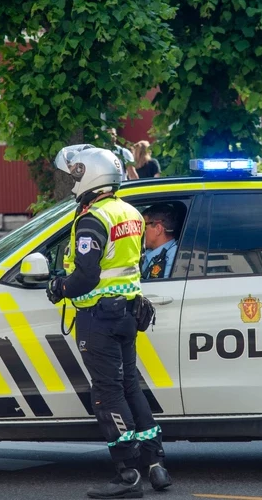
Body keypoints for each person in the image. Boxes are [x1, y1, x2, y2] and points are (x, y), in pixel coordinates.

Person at [46, 145, 172, 498]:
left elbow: (85, 276)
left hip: (99, 317)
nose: (73, 181)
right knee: (130, 386)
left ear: (89, 176)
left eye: (75, 174)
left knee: (107, 393)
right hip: (128, 313)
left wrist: (59, 286)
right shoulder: (130, 212)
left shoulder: (92, 218)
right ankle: (156, 465)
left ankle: (127, 473)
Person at [140, 204, 180, 280]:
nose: (140, 232)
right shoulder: (149, 252)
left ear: (158, 229)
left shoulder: (174, 257)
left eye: (143, 227)